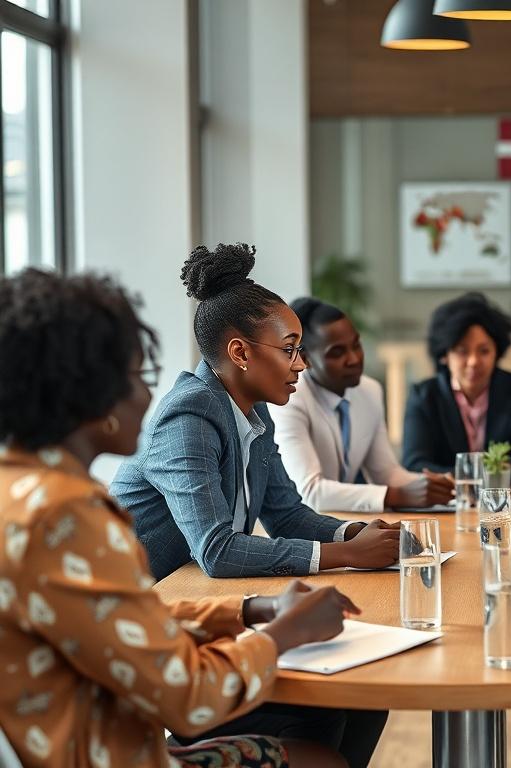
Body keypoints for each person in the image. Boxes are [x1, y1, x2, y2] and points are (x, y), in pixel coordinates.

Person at [0, 268, 364, 768]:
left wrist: (250, 612)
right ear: (84, 389)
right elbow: (187, 697)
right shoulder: (65, 515)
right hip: (113, 752)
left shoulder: (21, 491)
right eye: (137, 376)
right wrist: (283, 636)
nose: (148, 397)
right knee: (326, 754)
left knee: (336, 718)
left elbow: (122, 619)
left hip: (98, 729)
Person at [111, 244, 400, 581]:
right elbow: (217, 551)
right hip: (131, 603)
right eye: (289, 349)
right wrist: (349, 554)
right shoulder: (187, 417)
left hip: (190, 591)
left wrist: (357, 533)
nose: (301, 364)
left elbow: (286, 515)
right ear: (240, 353)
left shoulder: (252, 408)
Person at [270, 297, 453, 513]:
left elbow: (386, 473)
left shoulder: (369, 391)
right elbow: (309, 491)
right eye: (337, 353)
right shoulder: (290, 397)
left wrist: (436, 487)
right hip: (298, 530)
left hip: (342, 522)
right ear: (306, 358)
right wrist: (398, 495)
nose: (354, 359)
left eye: (356, 345)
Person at [402, 292, 511, 479]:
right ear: (444, 355)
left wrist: (462, 476)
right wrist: (478, 477)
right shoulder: (424, 396)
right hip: (446, 503)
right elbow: (414, 465)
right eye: (462, 351)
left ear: (497, 352)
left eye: (484, 351)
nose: (473, 361)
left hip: (507, 501)